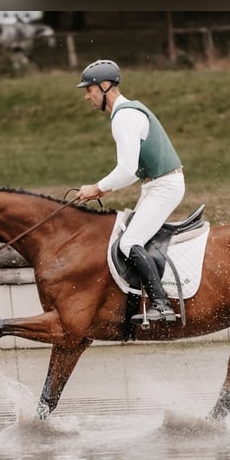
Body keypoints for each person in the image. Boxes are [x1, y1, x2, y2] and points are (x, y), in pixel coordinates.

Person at [76, 59, 185, 322]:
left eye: (89, 90)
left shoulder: (124, 116)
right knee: (129, 238)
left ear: (104, 86)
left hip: (163, 187)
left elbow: (126, 169)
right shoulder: (127, 112)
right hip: (155, 186)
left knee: (129, 242)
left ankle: (163, 305)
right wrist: (104, 190)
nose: (87, 97)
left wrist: (96, 187)